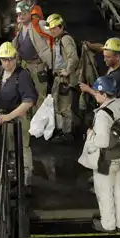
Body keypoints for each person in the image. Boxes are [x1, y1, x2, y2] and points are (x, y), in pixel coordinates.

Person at [78, 75, 120, 232]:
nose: (95, 96)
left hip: (106, 160)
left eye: (97, 93)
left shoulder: (103, 114)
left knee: (105, 192)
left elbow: (103, 142)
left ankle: (108, 225)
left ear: (104, 94)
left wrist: (90, 135)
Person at [0, 42, 37, 189]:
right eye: (4, 59)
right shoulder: (1, 70)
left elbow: (28, 101)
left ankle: (26, 180)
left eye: (10, 59)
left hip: (19, 117)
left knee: (23, 147)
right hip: (5, 116)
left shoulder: (22, 75)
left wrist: (9, 116)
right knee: (9, 147)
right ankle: (13, 174)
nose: (7, 63)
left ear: (16, 58)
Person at [44, 14, 80, 142]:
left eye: (55, 28)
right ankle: (62, 130)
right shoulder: (58, 39)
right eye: (51, 29)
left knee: (65, 107)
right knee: (58, 105)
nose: (52, 31)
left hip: (65, 79)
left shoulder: (65, 39)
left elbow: (73, 58)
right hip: (59, 78)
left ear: (61, 27)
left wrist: (67, 71)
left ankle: (67, 133)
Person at [13, 1, 53, 111]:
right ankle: (30, 116)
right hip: (25, 65)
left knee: (41, 94)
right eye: (19, 14)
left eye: (24, 13)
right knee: (27, 93)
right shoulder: (20, 27)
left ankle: (40, 117)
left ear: (29, 13)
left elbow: (55, 32)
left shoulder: (38, 24)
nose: (21, 16)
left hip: (38, 65)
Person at [80, 37, 120, 101]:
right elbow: (101, 48)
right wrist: (90, 45)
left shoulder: (115, 78)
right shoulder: (119, 60)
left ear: (117, 57)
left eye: (107, 57)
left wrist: (88, 89)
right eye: (104, 56)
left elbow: (104, 98)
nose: (104, 59)